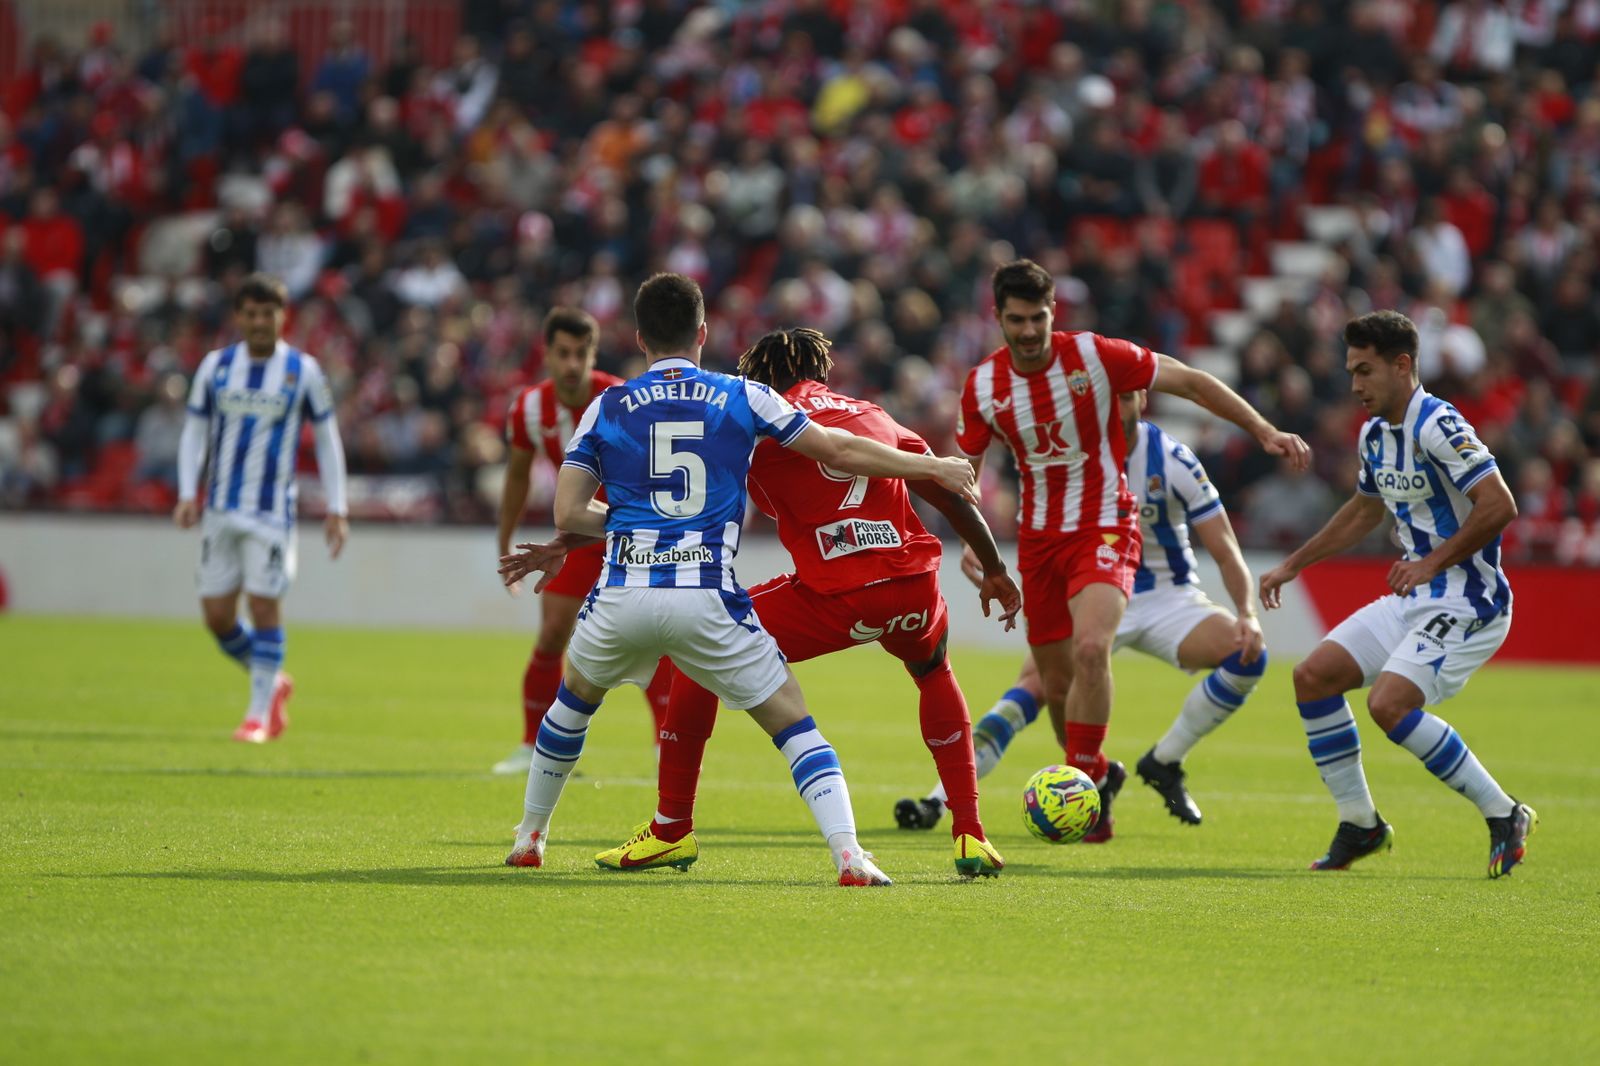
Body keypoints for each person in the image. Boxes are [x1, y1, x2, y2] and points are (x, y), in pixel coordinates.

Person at [499, 274, 977, 886]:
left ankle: (531, 838)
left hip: (622, 593)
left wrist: (617, 524)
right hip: (705, 597)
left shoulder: (608, 403)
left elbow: (569, 512)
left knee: (570, 708)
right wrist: (930, 464)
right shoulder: (743, 395)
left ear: (640, 338)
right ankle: (851, 856)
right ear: (703, 332)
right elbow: (838, 450)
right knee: (794, 724)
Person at [954, 259, 1308, 841]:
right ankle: (1095, 779)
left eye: (1038, 318)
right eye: (1016, 320)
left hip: (1104, 525)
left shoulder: (1094, 355)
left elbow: (1190, 380)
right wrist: (975, 540)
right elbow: (967, 471)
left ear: (1052, 314)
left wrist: (1263, 430)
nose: (1028, 331)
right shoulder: (983, 387)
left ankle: (1083, 784)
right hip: (1039, 543)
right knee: (1059, 686)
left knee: (1093, 648)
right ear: (997, 318)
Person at [898, 389, 1267, 829]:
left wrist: (1246, 611)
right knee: (1033, 686)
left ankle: (1165, 759)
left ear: (1141, 401)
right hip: (1088, 591)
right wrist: (985, 546)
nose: (1114, 411)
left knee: (1247, 654)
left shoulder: (1172, 460)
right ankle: (940, 801)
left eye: (1125, 399)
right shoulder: (1062, 454)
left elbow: (1225, 548)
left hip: (1165, 595)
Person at [1259, 310, 1536, 877]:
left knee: (1388, 704)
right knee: (1312, 677)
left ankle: (1504, 813)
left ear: (1402, 365)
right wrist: (1293, 564)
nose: (1355, 386)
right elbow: (1364, 509)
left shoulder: (1439, 424)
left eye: (1365, 371)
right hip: (1416, 598)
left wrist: (1430, 562)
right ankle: (1360, 824)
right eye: (1351, 372)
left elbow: (1500, 504)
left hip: (1468, 599)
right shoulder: (1375, 434)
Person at [492, 307, 671, 775]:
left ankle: (664, 747)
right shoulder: (530, 408)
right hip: (575, 536)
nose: (572, 364)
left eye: (581, 353)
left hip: (627, 533)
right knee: (554, 633)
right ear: (548, 355)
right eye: (563, 353)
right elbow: (516, 477)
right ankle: (532, 745)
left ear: (593, 354)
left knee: (652, 641)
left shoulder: (621, 399)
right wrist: (505, 537)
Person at [174, 273, 349, 743]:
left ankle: (257, 716)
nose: (258, 322)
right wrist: (187, 491)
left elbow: (328, 441)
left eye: (267, 313)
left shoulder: (303, 370)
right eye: (250, 313)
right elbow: (194, 431)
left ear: (281, 316)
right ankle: (272, 680)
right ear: (238, 317)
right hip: (220, 509)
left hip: (272, 513)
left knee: (265, 605)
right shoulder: (216, 367)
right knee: (216, 616)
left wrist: (338, 506)